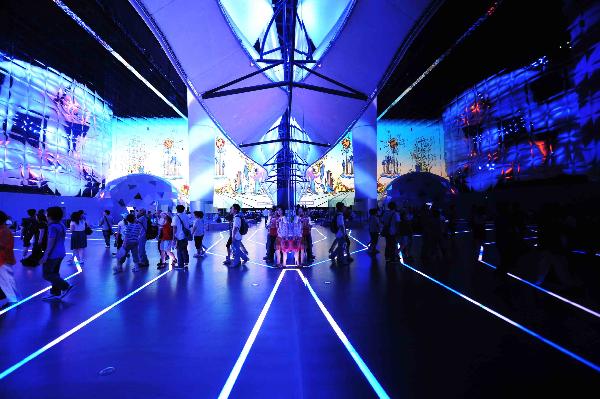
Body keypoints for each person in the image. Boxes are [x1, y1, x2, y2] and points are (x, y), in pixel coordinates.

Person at [40, 207, 73, 300]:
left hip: (53, 254)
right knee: (55, 273)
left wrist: (45, 255)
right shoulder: (61, 225)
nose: (45, 215)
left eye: (47, 213)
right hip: (61, 252)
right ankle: (55, 292)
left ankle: (65, 286)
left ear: (50, 215)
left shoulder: (52, 227)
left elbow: (51, 242)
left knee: (46, 274)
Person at [0, 210, 19, 307]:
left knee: (5, 279)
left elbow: (2, 245)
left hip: (3, 259)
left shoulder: (3, 231)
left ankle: (13, 299)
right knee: (7, 279)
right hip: (5, 258)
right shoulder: (4, 230)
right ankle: (13, 297)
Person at [171, 204, 190, 270]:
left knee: (179, 250)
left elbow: (174, 228)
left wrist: (173, 237)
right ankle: (186, 263)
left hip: (179, 236)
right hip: (185, 235)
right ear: (183, 209)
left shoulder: (175, 217)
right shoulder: (186, 216)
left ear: (177, 209)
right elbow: (189, 225)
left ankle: (180, 265)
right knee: (185, 249)